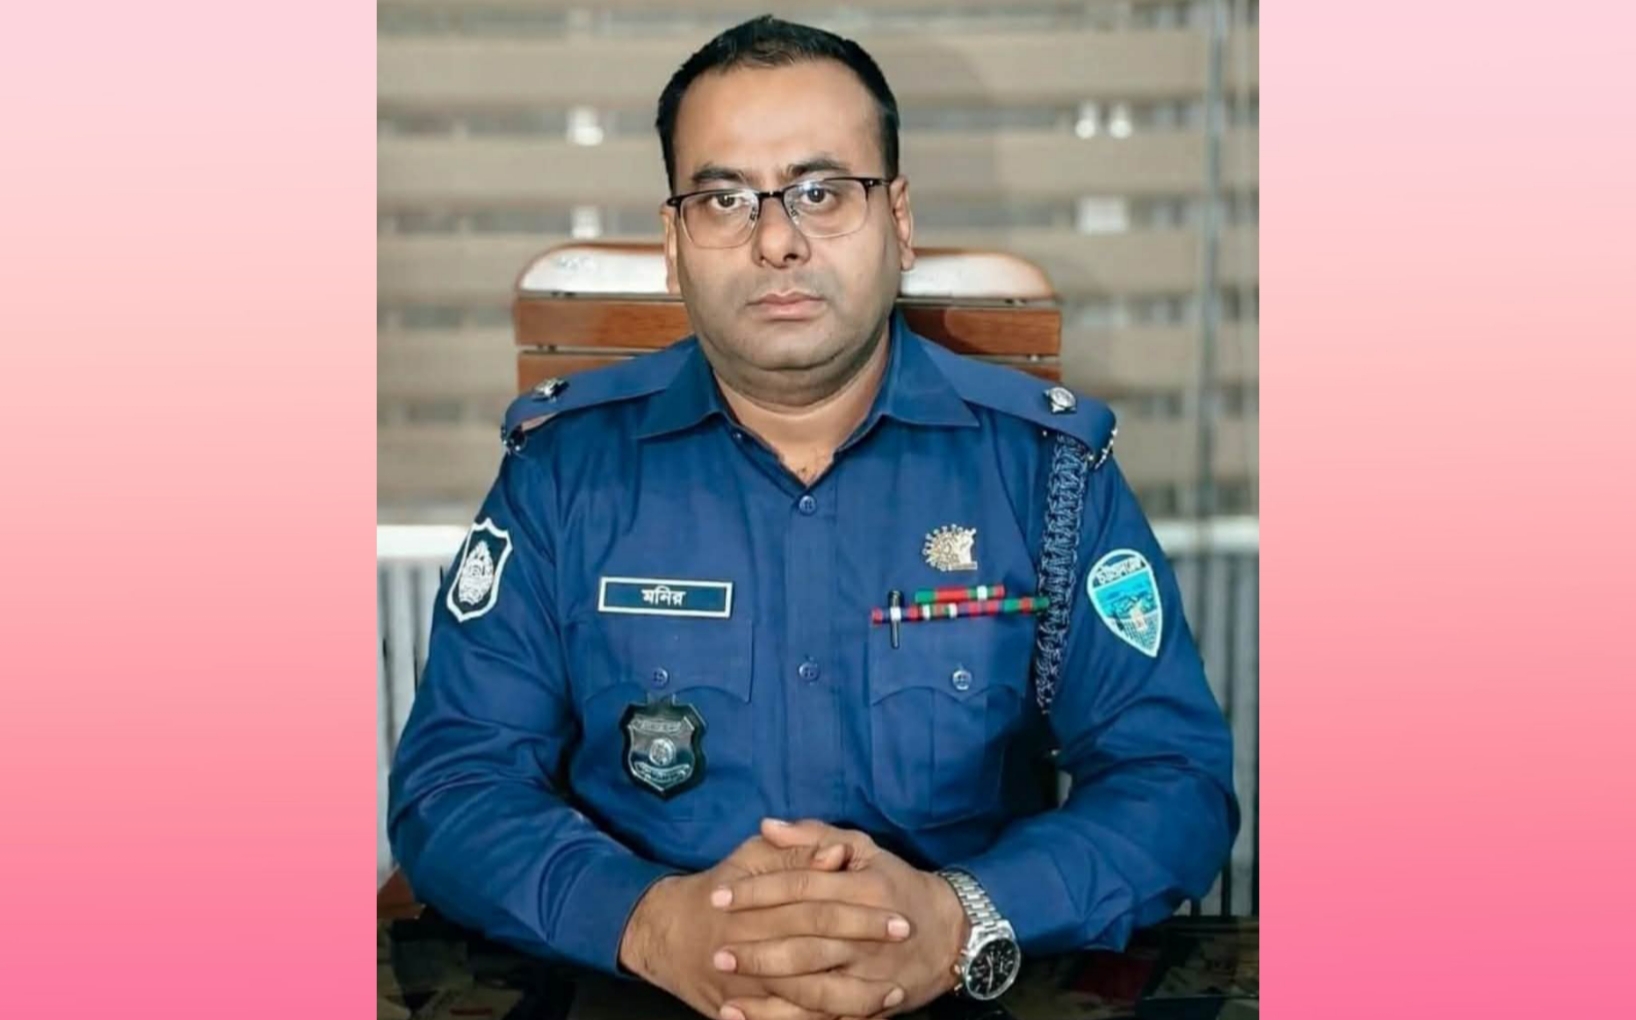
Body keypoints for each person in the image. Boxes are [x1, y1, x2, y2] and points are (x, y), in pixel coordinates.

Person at [388, 15, 1238, 1020]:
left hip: (953, 990)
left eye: (823, 191)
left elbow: (1172, 778)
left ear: (899, 221)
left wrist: (961, 916)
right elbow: (454, 784)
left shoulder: (1045, 475)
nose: (778, 239)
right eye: (723, 199)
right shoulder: (566, 477)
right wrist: (648, 921)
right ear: (674, 245)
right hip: (643, 986)